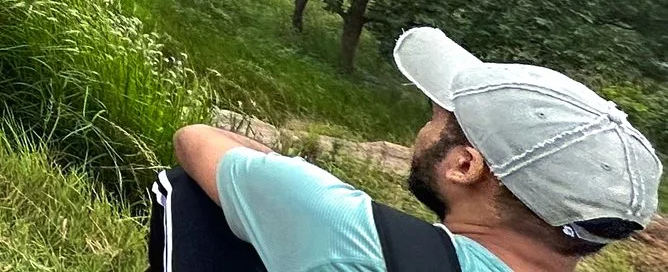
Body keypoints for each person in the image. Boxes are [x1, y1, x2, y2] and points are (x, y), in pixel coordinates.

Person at [161, 27, 659, 272]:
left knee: (188, 189)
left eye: (438, 117)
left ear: (464, 165)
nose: (424, 127)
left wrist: (301, 179)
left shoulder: (355, 232)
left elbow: (195, 140)